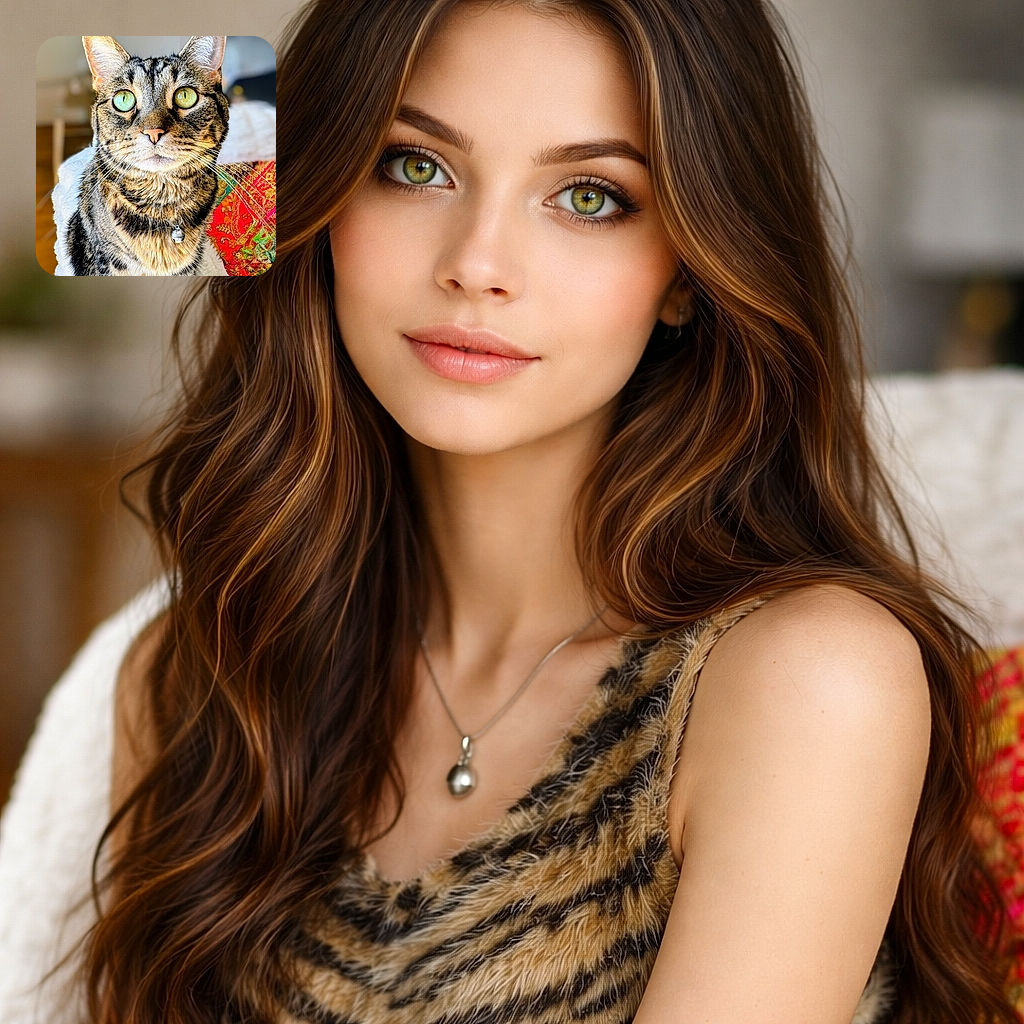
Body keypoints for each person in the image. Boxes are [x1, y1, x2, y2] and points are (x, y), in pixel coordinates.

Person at [1, 0, 1018, 1021]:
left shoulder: (807, 678)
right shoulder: (192, 669)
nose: (477, 263)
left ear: (687, 274)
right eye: (412, 166)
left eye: (588, 195)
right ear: (313, 208)